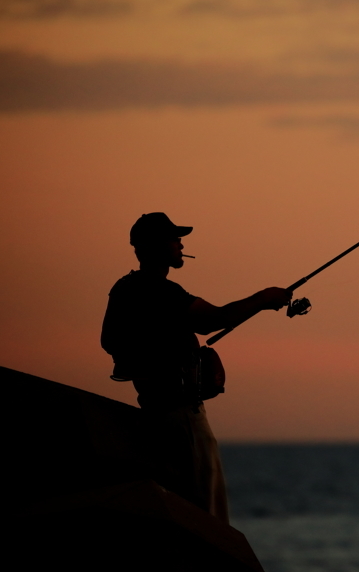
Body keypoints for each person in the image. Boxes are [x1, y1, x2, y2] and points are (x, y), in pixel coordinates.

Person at [101, 212, 291, 522]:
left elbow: (108, 341)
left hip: (152, 414)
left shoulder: (124, 289)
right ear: (156, 246)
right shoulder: (160, 291)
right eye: (174, 238)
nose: (180, 243)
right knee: (208, 517)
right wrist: (264, 299)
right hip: (182, 419)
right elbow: (217, 319)